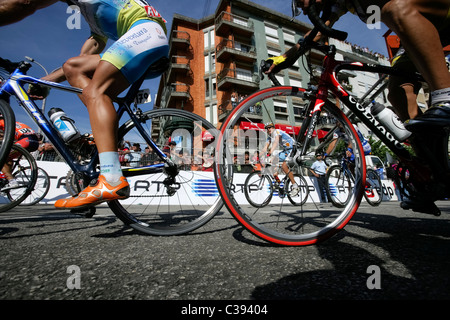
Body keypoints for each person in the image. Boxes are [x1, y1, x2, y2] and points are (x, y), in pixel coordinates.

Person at [28, 0, 169, 210]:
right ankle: (102, 138)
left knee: (96, 91)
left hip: (145, 33)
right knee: (73, 67)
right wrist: (45, 81)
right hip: (146, 38)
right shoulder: (92, 19)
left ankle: (111, 178)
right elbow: (84, 56)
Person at [261, 122, 300, 197]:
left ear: (273, 127)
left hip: (293, 149)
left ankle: (295, 186)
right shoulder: (269, 137)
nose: (268, 129)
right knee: (273, 160)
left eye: (270, 127)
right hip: (286, 151)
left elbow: (276, 142)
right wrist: (257, 156)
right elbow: (265, 148)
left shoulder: (277, 132)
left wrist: (270, 152)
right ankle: (279, 184)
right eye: (266, 128)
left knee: (284, 166)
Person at [0, 120, 40, 187]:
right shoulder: (15, 123)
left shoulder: (3, 121)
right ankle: (7, 179)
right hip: (35, 143)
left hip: (25, 141)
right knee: (8, 157)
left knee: (2, 157)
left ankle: (11, 180)